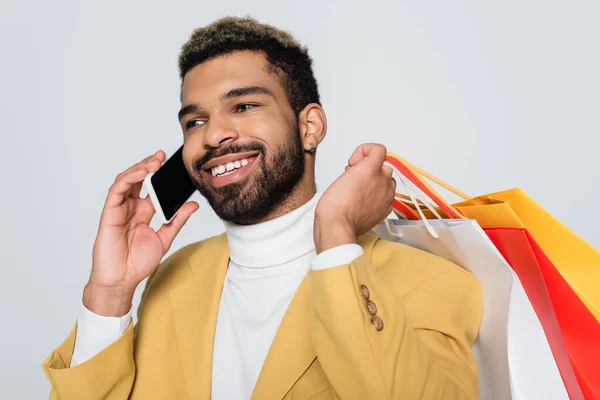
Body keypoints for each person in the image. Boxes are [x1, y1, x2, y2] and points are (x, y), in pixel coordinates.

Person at [42, 16, 482, 400]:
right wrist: (110, 294)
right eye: (195, 121)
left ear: (310, 126)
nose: (213, 135)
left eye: (245, 105)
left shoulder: (432, 284)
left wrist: (334, 231)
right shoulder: (169, 282)